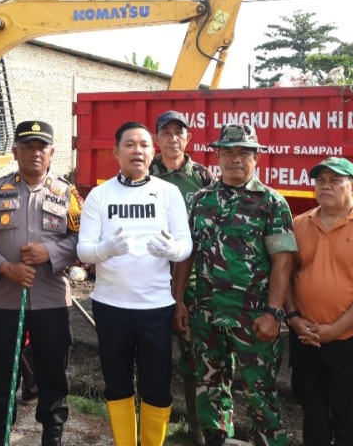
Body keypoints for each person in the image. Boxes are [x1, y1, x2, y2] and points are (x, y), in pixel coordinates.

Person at [0, 120, 83, 446]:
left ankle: (52, 438)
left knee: (53, 379)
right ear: (15, 151)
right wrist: (5, 268)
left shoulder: (68, 194)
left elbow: (82, 239)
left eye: (41, 146)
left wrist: (51, 252)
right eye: (27, 146)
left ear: (51, 153)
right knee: (1, 379)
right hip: (1, 301)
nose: (35, 152)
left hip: (52, 302)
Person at [179, 122, 297, 446]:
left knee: (260, 394)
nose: (235, 158)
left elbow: (283, 263)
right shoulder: (200, 200)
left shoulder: (272, 203)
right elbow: (186, 255)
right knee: (210, 390)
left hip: (254, 318)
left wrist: (274, 313)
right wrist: (179, 301)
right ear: (217, 155)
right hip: (207, 314)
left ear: (256, 157)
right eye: (227, 151)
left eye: (243, 152)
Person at [76, 121, 192, 446]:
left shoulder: (169, 193)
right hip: (111, 306)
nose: (137, 150)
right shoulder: (100, 195)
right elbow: (83, 249)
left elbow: (186, 244)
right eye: (129, 144)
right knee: (117, 383)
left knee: (157, 386)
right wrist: (103, 251)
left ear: (152, 151)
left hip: (156, 308)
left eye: (143, 144)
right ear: (116, 152)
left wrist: (173, 250)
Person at [285, 157, 353, 446]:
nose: (325, 186)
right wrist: (294, 318)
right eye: (320, 181)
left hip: (351, 338)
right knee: (313, 409)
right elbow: (284, 275)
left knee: (350, 413)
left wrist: (335, 329)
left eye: (335, 180)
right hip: (305, 337)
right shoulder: (300, 224)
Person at [150, 109, 213, 446]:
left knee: (195, 360)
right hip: (152, 281)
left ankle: (196, 428)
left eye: (179, 132)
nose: (173, 138)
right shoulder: (144, 174)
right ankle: (152, 426)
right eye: (166, 133)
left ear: (188, 138)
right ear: (156, 139)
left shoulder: (202, 177)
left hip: (194, 285)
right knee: (153, 356)